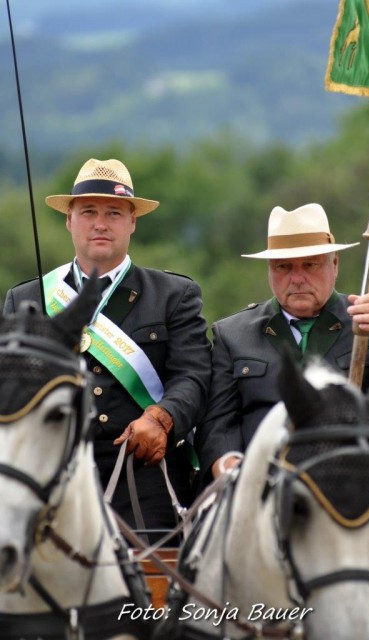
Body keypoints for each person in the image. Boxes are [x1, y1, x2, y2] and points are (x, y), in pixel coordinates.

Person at [4, 158, 211, 540]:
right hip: (49, 474)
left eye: (114, 212)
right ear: (69, 220)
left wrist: (162, 418)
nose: (101, 223)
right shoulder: (26, 299)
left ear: (132, 222)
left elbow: (194, 376)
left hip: (143, 472)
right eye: (89, 212)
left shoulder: (174, 295)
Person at [195, 203, 369, 482]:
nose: (298, 278)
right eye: (284, 267)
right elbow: (218, 424)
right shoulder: (233, 334)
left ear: (334, 263)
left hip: (357, 483)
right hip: (264, 486)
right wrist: (229, 467)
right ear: (270, 269)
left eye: (310, 264)